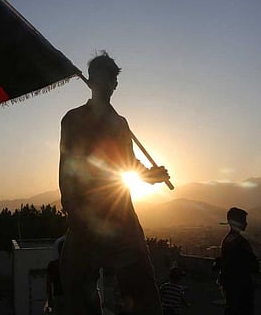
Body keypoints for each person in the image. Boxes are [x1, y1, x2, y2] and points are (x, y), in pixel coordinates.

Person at [58, 51, 170, 315]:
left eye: (113, 80)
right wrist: (72, 209)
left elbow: (128, 165)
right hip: (85, 215)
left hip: (119, 212)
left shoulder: (120, 123)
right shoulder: (73, 119)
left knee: (142, 287)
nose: (111, 84)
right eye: (106, 78)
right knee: (75, 285)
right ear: (92, 79)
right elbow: (67, 166)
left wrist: (151, 176)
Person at [218, 207, 259, 315]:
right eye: (243, 220)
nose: (246, 223)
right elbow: (254, 266)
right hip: (242, 288)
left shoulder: (226, 240)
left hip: (230, 287)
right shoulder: (241, 242)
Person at [46, 238, 66, 314]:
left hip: (58, 297)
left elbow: (48, 284)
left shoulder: (52, 265)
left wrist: (50, 299)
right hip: (69, 297)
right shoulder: (71, 265)